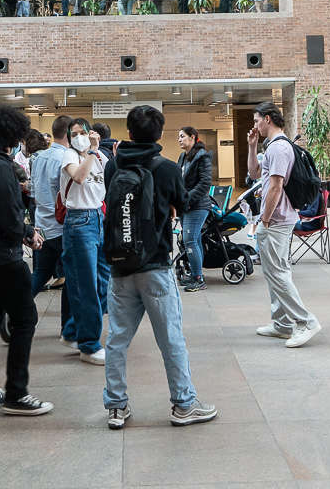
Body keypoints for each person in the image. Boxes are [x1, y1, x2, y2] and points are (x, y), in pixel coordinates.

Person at [101, 105, 217, 429]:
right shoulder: (166, 167)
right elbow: (183, 202)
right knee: (170, 338)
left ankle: (116, 406)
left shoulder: (113, 166)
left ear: (128, 131)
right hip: (156, 267)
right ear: (160, 134)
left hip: (120, 267)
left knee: (117, 340)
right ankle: (183, 404)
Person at [0, 105, 53, 416]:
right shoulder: (0, 168)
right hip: (3, 257)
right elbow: (10, 220)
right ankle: (17, 393)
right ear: (10, 137)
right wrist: (29, 232)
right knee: (25, 319)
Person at [248, 101, 321, 347]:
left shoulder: (279, 148)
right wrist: (252, 146)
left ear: (268, 119)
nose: (255, 125)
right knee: (275, 271)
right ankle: (281, 323)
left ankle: (306, 322)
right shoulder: (272, 146)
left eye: (257, 120)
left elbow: (276, 185)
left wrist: (264, 219)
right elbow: (256, 174)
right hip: (279, 218)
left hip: (276, 219)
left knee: (277, 272)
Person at [61, 116, 110, 365]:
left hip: (98, 218)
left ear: (93, 132)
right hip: (78, 221)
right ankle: (89, 344)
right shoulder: (70, 156)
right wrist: (90, 151)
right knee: (85, 285)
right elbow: (79, 178)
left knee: (104, 283)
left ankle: (72, 331)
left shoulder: (103, 158)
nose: (78, 136)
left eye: (83, 131)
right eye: (74, 133)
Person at [30, 116, 73, 340]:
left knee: (41, 273)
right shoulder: (66, 158)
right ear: (68, 134)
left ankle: (14, 310)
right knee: (69, 277)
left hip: (42, 223)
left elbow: (34, 191)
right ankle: (67, 328)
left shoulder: (39, 157)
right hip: (61, 226)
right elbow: (68, 195)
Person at [176, 126, 213, 292]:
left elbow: (205, 183)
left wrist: (187, 198)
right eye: (179, 136)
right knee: (194, 240)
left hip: (198, 206)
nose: (179, 140)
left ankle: (198, 279)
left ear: (192, 137)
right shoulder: (183, 157)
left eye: (182, 136)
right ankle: (195, 275)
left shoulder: (202, 157)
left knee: (189, 240)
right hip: (186, 205)